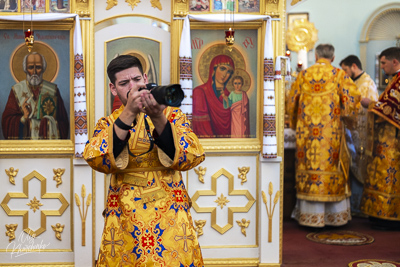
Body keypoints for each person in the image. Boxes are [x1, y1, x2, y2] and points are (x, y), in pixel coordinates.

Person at [83, 55, 205, 266]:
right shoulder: (108, 123)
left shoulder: (173, 117)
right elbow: (95, 158)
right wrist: (128, 113)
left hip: (171, 218)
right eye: (124, 83)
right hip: (125, 218)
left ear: (145, 78)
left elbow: (192, 156)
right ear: (114, 89)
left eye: (137, 80)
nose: (133, 87)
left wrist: (158, 118)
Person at [286, 44, 361, 228]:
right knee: (332, 168)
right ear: (333, 58)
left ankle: (309, 216)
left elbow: (291, 103)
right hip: (331, 134)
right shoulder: (339, 75)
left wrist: (296, 124)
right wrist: (347, 120)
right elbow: (352, 101)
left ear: (316, 56)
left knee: (310, 166)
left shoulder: (303, 76)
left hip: (307, 135)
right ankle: (334, 217)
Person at [360, 47, 400, 230]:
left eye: (383, 63)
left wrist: (370, 104)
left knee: (389, 175)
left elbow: (392, 109)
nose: (381, 66)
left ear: (395, 62)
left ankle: (388, 215)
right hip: (386, 138)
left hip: (393, 140)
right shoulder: (394, 81)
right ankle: (379, 213)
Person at [339, 55, 379, 215]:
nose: (345, 74)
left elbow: (371, 108)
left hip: (362, 134)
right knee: (352, 167)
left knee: (361, 168)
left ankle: (360, 207)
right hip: (352, 133)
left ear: (354, 66)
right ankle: (354, 206)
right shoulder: (354, 83)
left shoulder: (367, 83)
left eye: (346, 70)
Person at [2, 52, 69, 140]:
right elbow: (7, 123)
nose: (34, 72)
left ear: (43, 68)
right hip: (25, 148)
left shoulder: (53, 90)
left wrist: (48, 123)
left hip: (47, 148)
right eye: (30, 67)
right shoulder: (16, 90)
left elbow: (63, 124)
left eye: (38, 67)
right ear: (25, 69)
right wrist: (23, 118)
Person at [192, 54, 234, 138]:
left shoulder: (229, 95)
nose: (225, 74)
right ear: (213, 69)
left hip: (229, 145)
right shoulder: (200, 92)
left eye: (229, 71)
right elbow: (201, 125)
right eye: (222, 69)